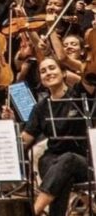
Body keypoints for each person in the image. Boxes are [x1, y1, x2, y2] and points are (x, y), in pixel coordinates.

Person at [20, 57, 94, 216]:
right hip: (53, 160)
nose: (48, 73)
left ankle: (33, 211)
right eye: (43, 71)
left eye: (52, 68)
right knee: (59, 172)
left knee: (68, 159)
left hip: (83, 161)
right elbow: (26, 138)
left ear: (64, 72)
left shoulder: (78, 95)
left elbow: (90, 74)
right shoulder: (41, 107)